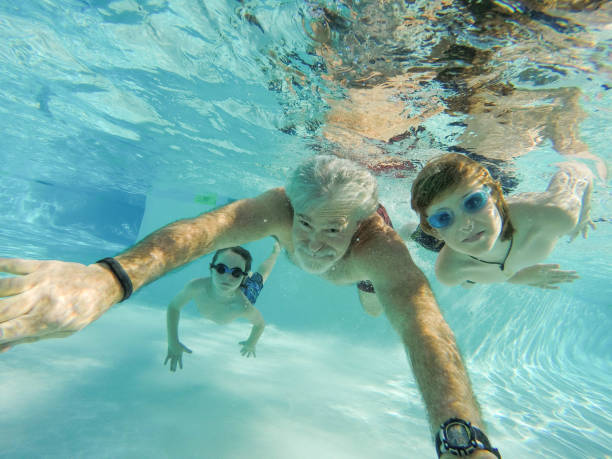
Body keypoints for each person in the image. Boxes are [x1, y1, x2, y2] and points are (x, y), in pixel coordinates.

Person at [0, 156, 500, 458]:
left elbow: (423, 324)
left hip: (365, 275)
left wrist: (462, 437)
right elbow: (202, 233)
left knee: (377, 307)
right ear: (291, 208)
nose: (316, 244)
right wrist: (107, 280)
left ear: (361, 223)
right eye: (306, 223)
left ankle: (367, 287)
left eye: (334, 229)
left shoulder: (379, 247)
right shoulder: (276, 207)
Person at [411, 153, 595, 289]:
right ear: (434, 230)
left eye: (473, 202)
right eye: (443, 218)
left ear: (496, 196)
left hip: (462, 246)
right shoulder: (450, 272)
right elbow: (499, 273)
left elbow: (578, 170)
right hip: (452, 248)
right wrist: (521, 277)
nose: (466, 224)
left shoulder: (555, 214)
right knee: (415, 236)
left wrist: (583, 214)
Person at [165, 242, 280, 371]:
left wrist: (251, 343)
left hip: (245, 293)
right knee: (253, 275)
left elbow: (260, 324)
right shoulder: (196, 287)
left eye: (235, 273)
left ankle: (275, 253)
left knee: (260, 276)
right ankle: (244, 272)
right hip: (239, 283)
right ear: (211, 269)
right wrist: (172, 341)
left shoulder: (243, 306)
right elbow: (174, 307)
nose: (227, 277)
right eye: (221, 269)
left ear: (241, 278)